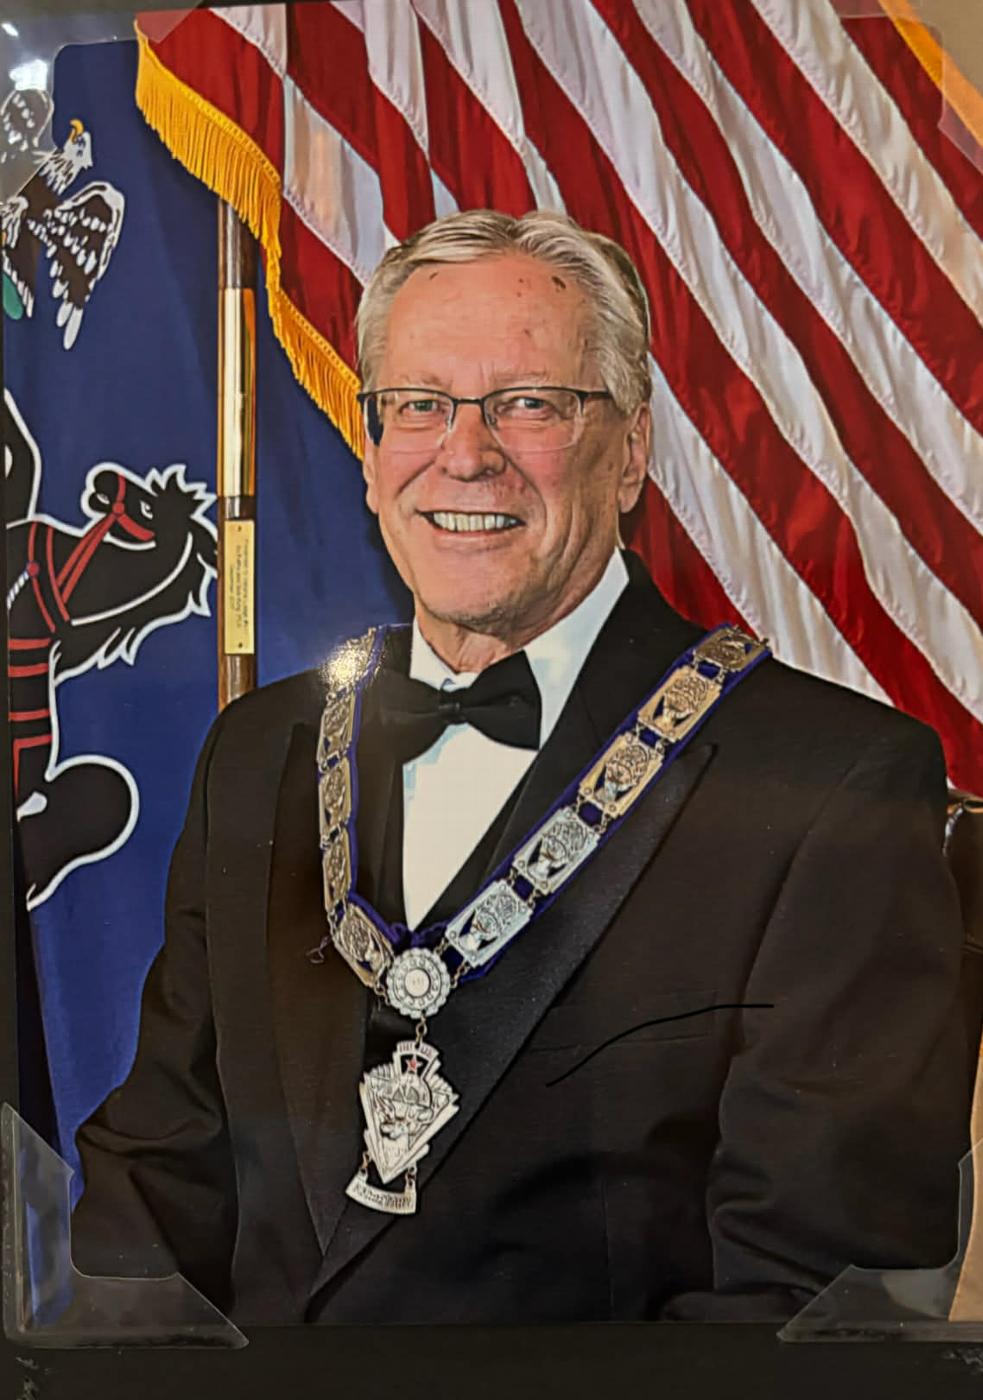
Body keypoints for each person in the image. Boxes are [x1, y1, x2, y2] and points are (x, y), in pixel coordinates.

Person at [71, 209, 969, 1326]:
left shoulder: (831, 785)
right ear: (371, 452)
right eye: (418, 404)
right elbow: (156, 1177)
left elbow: (809, 1306)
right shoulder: (259, 749)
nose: (464, 453)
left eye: (529, 403)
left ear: (629, 450)